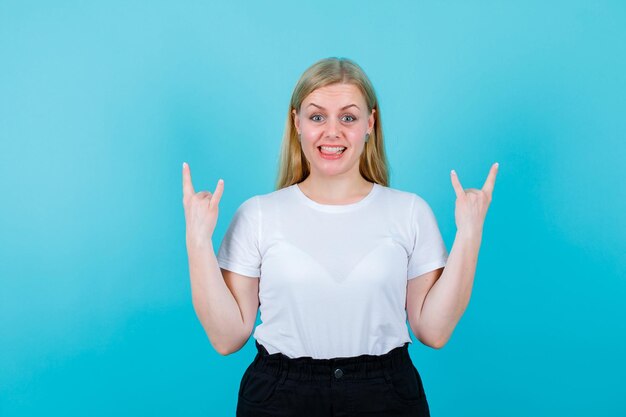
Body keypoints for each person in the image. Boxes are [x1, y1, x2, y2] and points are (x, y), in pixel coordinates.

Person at [182, 57, 498, 417]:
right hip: (280, 398)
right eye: (317, 117)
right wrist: (197, 240)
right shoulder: (257, 215)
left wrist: (470, 232)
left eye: (348, 117)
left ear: (370, 124)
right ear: (296, 122)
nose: (332, 132)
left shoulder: (409, 212)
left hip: (385, 395)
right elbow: (227, 338)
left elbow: (434, 331)